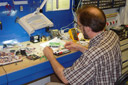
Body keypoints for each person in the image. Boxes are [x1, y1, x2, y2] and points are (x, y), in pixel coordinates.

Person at [43, 5, 122, 85]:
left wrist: (50, 56)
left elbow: (65, 78)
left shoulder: (90, 57)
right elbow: (99, 55)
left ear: (87, 28)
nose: (79, 29)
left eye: (80, 26)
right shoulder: (112, 35)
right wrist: (79, 47)